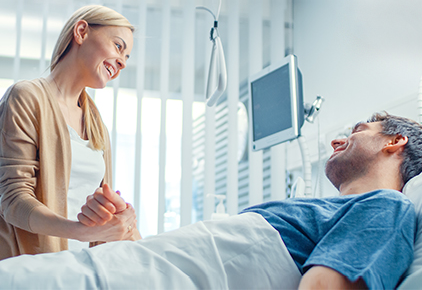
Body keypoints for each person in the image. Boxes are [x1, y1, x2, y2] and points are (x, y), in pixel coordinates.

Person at [0, 112, 419, 290]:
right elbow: (193, 268)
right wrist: (123, 231)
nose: (337, 138)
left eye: (362, 128)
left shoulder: (388, 207)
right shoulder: (318, 211)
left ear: (395, 142)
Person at [0, 5, 141, 261]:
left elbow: (99, 211)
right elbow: (13, 200)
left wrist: (122, 218)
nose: (121, 62)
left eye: (127, 58)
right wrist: (79, 232)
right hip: (31, 267)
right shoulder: (26, 97)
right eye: (118, 46)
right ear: (81, 31)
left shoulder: (96, 123)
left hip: (80, 268)